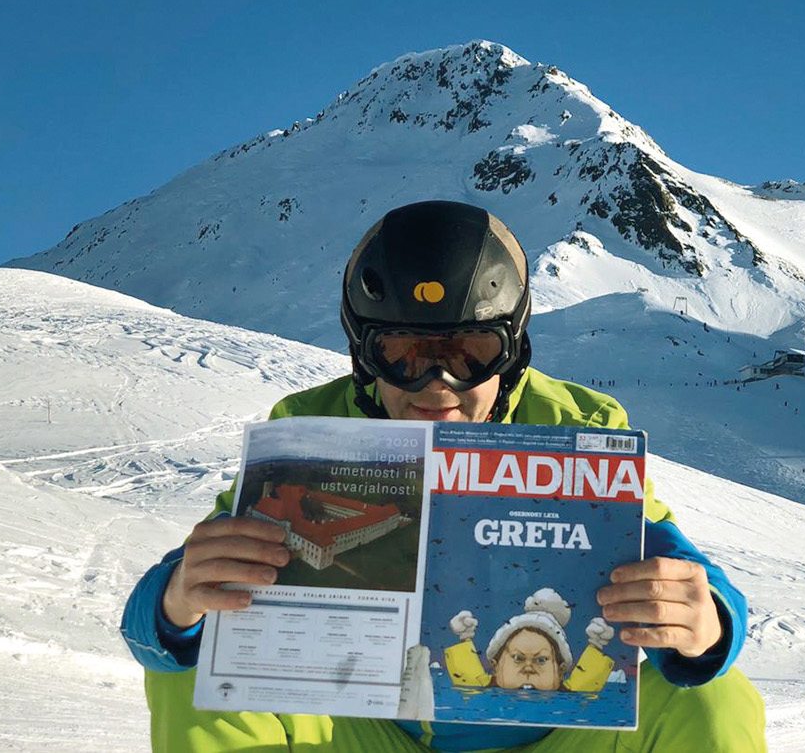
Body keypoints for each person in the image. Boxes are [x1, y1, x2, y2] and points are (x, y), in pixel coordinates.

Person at [120, 200, 768, 752]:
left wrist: (706, 618)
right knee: (203, 658)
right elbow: (169, 608)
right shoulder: (312, 427)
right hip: (367, 730)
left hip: (545, 734)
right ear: (362, 354)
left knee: (713, 700)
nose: (437, 385)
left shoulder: (578, 428)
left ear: (512, 352)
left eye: (469, 352)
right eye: (402, 353)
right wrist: (177, 601)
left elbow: (673, 560)